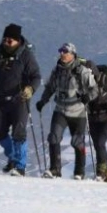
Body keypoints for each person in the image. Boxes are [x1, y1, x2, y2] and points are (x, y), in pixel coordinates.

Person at [0, 23, 41, 177]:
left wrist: (30, 89)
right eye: (4, 39)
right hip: (0, 98)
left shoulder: (25, 55)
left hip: (20, 99)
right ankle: (13, 156)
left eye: (10, 40)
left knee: (19, 132)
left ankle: (20, 165)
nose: (6, 42)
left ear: (18, 41)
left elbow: (36, 76)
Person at [35, 42, 98, 180]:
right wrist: (43, 101)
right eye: (61, 51)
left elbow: (95, 89)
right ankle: (54, 169)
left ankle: (79, 172)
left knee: (77, 142)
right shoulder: (56, 71)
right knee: (53, 137)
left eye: (65, 52)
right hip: (61, 110)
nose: (62, 54)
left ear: (72, 54)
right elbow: (50, 87)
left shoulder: (82, 71)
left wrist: (88, 97)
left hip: (78, 112)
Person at [84, 63, 107, 182]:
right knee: (98, 146)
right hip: (93, 117)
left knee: (100, 142)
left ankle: (101, 172)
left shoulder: (106, 81)